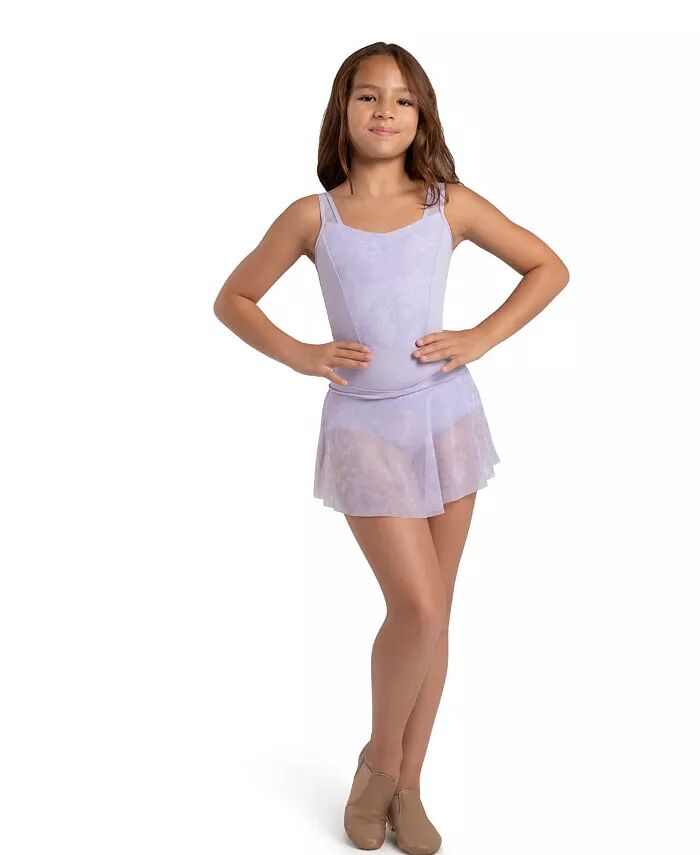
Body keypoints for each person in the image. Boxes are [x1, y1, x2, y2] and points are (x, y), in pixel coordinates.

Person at [214, 41, 568, 855]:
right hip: (366, 429)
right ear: (343, 108)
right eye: (368, 96)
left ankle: (408, 785)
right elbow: (234, 298)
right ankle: (377, 762)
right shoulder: (314, 217)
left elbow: (546, 267)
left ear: (422, 116)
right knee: (418, 606)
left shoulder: (449, 204)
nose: (385, 111)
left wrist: (481, 335)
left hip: (447, 419)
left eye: (403, 100)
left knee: (436, 614)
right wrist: (301, 353)